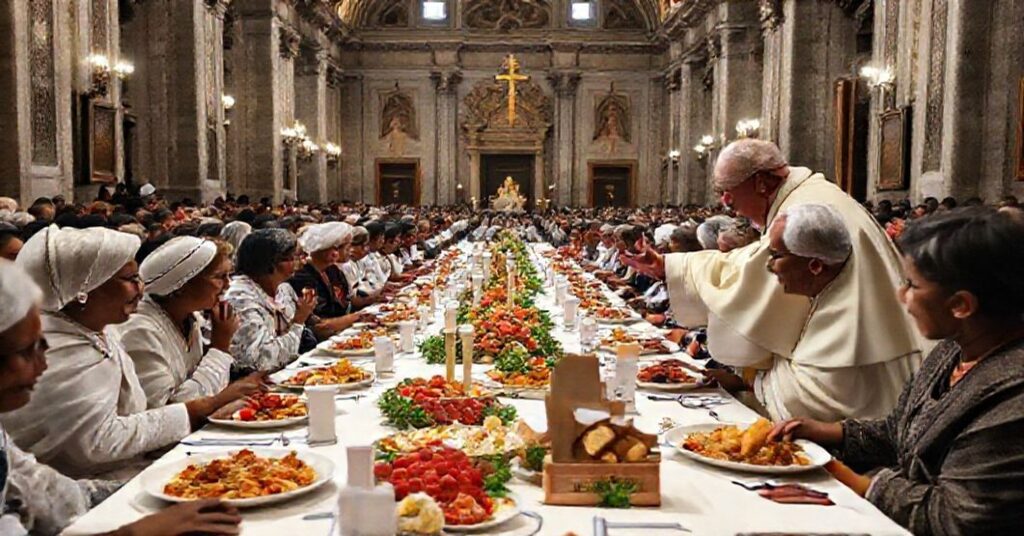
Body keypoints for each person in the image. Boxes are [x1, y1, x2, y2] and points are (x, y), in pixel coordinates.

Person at [769, 207, 1024, 535]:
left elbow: (954, 519)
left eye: (912, 285)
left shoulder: (1013, 394)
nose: (901, 296)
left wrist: (847, 478)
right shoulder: (955, 349)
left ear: (961, 305)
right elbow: (901, 431)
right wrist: (826, 431)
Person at [630, 139, 923, 421]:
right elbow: (751, 263)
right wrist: (668, 265)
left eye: (729, 190)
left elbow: (752, 271)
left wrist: (671, 267)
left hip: (851, 374)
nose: (726, 202)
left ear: (762, 182)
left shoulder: (807, 207)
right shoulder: (810, 196)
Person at [0, 260, 242, 536]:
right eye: (28, 351)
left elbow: (51, 493)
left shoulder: (103, 335)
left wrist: (174, 493)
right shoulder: (137, 329)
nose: (43, 365)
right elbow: (97, 443)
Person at [3, 226, 216, 480]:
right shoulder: (54, 349)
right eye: (129, 279)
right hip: (87, 488)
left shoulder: (101, 330)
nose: (141, 288)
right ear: (84, 289)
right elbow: (96, 444)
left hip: (128, 472)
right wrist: (196, 410)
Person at [707, 204, 919, 421]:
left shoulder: (847, 316)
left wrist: (748, 379)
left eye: (776, 256)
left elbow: (803, 401)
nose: (770, 266)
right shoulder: (824, 293)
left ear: (815, 266)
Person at [117, 236, 264, 408]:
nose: (227, 285)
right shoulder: (140, 330)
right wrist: (220, 347)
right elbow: (169, 412)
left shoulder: (191, 318)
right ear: (182, 284)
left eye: (229, 276)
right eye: (219, 277)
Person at [223, 229, 316, 377]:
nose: (297, 263)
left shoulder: (282, 289)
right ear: (269, 263)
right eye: (290, 258)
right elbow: (262, 361)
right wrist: (298, 321)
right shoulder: (240, 298)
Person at [288, 222, 370, 341]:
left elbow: (346, 303)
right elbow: (317, 325)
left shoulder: (333, 271)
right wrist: (355, 318)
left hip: (341, 333)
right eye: (335, 248)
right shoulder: (303, 277)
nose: (337, 254)